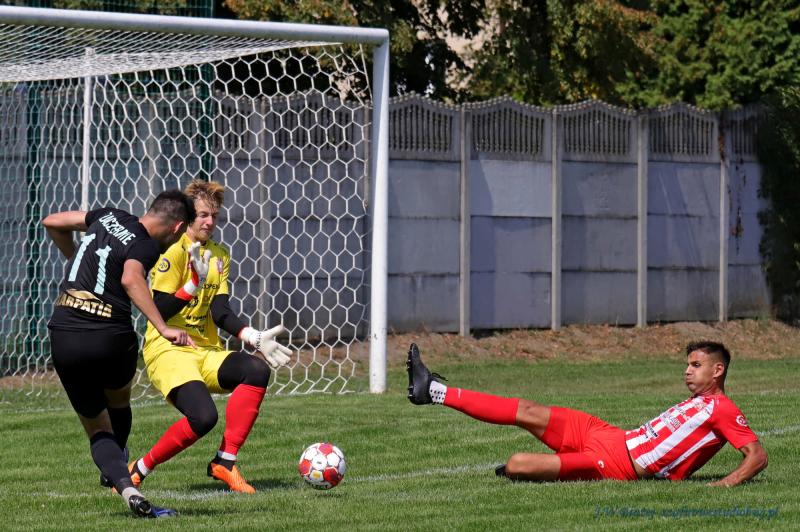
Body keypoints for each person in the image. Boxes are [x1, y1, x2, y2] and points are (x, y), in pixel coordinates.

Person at [125, 179, 292, 494]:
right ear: (188, 216)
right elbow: (159, 308)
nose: (209, 222)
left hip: (205, 350)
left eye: (214, 215)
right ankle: (139, 468)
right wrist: (192, 284)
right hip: (168, 350)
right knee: (203, 417)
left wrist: (252, 336)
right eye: (202, 215)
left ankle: (224, 462)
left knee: (256, 369)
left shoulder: (219, 255)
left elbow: (221, 310)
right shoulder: (173, 250)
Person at [407, 341, 768, 486]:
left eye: (696, 365)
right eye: (687, 364)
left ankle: (531, 470)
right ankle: (434, 391)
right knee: (527, 409)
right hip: (609, 434)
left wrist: (723, 484)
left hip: (618, 465)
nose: (687, 371)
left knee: (517, 464)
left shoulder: (724, 409)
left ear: (717, 370)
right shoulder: (699, 401)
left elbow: (757, 456)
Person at [44, 190, 197, 518]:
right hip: (110, 337)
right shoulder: (145, 244)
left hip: (65, 334)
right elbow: (130, 278)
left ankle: (125, 486)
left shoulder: (107, 215)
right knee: (118, 403)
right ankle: (118, 460)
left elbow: (52, 222)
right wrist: (162, 326)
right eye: (181, 234)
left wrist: (72, 257)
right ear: (177, 227)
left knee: (98, 430)